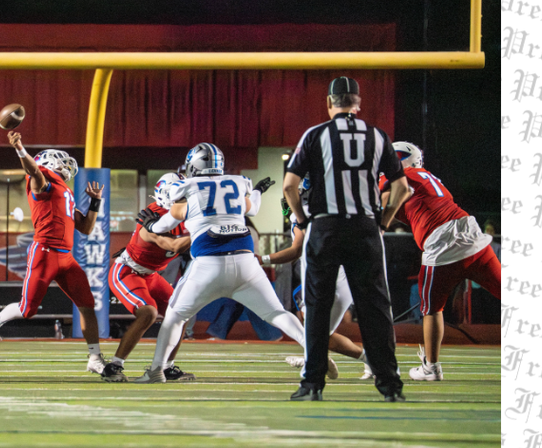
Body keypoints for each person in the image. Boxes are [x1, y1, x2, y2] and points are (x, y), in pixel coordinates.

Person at [133, 143, 307, 383]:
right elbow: (253, 208)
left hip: (209, 263)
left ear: (194, 166)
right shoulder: (236, 184)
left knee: (174, 316)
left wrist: (151, 224)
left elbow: (164, 225)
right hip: (246, 262)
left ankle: (156, 371)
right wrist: (257, 190)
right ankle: (313, 352)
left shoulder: (188, 189)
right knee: (277, 313)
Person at [283, 76, 407, 402]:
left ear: (329, 103)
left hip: (325, 226)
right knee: (375, 308)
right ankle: (390, 385)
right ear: (358, 103)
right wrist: (383, 222)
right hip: (365, 227)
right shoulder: (377, 136)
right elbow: (401, 187)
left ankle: (312, 385)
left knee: (317, 308)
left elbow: (289, 186)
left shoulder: (316, 135)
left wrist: (302, 219)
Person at [0, 131, 107, 374]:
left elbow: (86, 228)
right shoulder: (41, 180)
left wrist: (95, 202)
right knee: (27, 310)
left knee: (87, 304)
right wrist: (20, 148)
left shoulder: (65, 190)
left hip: (66, 256)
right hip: (45, 252)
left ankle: (94, 357)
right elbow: (34, 171)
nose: (65, 165)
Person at [381, 142, 501, 381]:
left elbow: (386, 197)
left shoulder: (401, 176)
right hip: (470, 234)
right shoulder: (428, 177)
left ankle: (432, 367)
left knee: (432, 309)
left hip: (442, 244)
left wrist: (377, 224)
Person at [262, 179, 371, 380]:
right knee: (320, 334)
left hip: (323, 279)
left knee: (315, 332)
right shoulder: (341, 211)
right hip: (345, 278)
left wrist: (264, 259)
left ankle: (312, 362)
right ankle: (369, 361)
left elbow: (295, 250)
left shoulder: (302, 214)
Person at [102, 173, 193, 382]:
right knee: (148, 313)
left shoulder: (187, 215)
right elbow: (173, 245)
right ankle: (114, 366)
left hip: (151, 274)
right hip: (127, 272)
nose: (186, 199)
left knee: (181, 313)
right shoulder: (153, 217)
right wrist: (206, 230)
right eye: (181, 195)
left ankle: (167, 367)